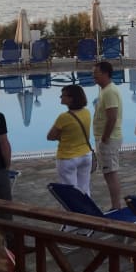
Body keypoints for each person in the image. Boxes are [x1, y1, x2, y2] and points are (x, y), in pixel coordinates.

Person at [46, 84, 92, 195]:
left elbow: (50, 136)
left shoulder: (64, 117)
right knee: (84, 189)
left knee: (70, 192)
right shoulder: (86, 112)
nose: (61, 97)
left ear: (71, 98)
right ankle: (86, 206)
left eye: (63, 95)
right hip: (85, 155)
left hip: (68, 158)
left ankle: (73, 207)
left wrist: (62, 137)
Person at [92, 61, 123, 209]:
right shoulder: (105, 90)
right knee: (108, 173)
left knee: (111, 173)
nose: (93, 76)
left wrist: (104, 138)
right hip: (105, 138)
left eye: (96, 73)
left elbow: (112, 117)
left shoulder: (109, 92)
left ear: (105, 73)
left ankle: (116, 206)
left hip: (108, 139)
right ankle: (115, 205)